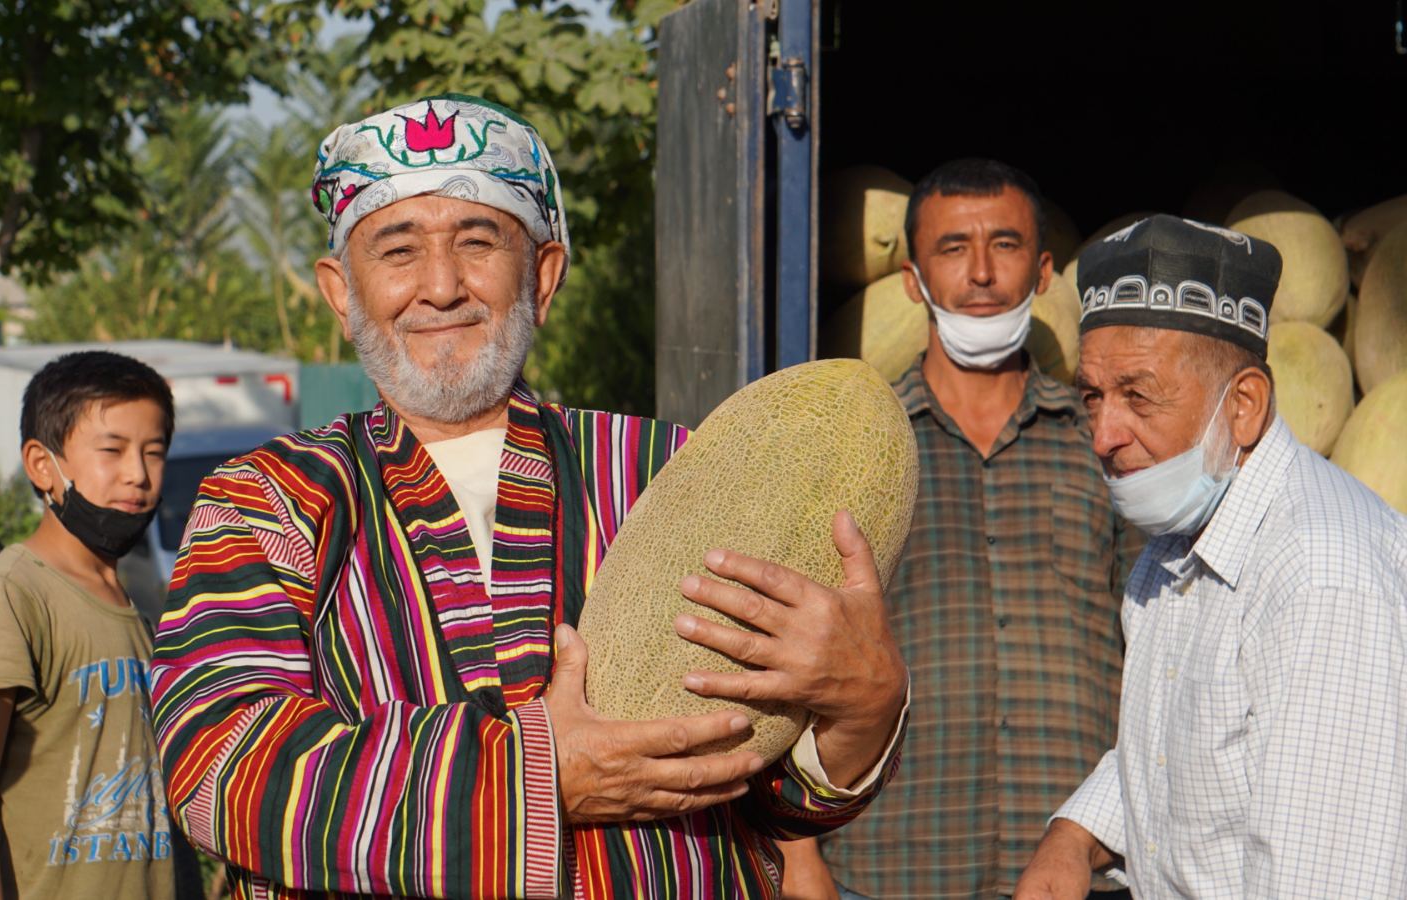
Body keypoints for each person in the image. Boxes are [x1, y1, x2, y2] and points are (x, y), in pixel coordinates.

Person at [147, 94, 910, 899]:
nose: (440, 287)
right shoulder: (271, 500)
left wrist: (861, 711)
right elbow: (218, 760)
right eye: (397, 251)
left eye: (478, 242)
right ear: (341, 293)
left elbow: (768, 791)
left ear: (542, 278)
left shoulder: (671, 468)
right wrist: (535, 778)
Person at [1014, 214, 1407, 899]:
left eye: (1138, 395)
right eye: (1093, 397)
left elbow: (1323, 878)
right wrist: (1074, 835)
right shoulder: (1173, 546)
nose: (1103, 434)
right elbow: (1180, 750)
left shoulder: (1322, 576)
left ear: (1244, 405)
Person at [781, 159, 1137, 900]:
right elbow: (783, 662)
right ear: (912, 278)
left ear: (1043, 272)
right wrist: (797, 854)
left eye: (1004, 246)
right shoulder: (854, 452)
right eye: (952, 249)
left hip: (1079, 874)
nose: (980, 274)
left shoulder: (1104, 445)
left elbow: (1162, 649)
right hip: (888, 872)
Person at [0, 351, 178, 899]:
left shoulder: (137, 610)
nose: (137, 473)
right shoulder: (10, 600)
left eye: (153, 452)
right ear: (43, 465)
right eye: (112, 450)